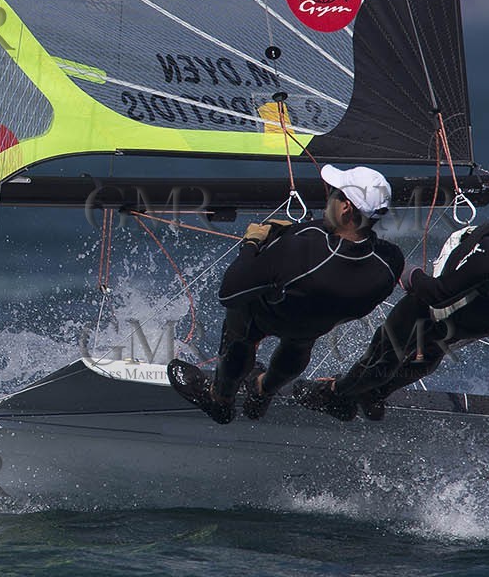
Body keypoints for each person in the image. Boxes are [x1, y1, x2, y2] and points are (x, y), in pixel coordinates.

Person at [311, 156, 489, 421]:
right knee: (428, 355)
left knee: (386, 352)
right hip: (485, 323)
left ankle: (339, 393)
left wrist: (405, 271)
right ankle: (374, 394)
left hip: (443, 311)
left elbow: (437, 294)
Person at [168, 164, 405, 423]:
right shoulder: (390, 261)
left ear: (346, 207)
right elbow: (337, 252)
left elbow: (229, 293)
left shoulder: (302, 248)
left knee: (240, 325)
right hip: (314, 325)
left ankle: (221, 398)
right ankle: (262, 391)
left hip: (271, 315)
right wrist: (294, 233)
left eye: (335, 194)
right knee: (300, 339)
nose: (329, 198)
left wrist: (252, 243)